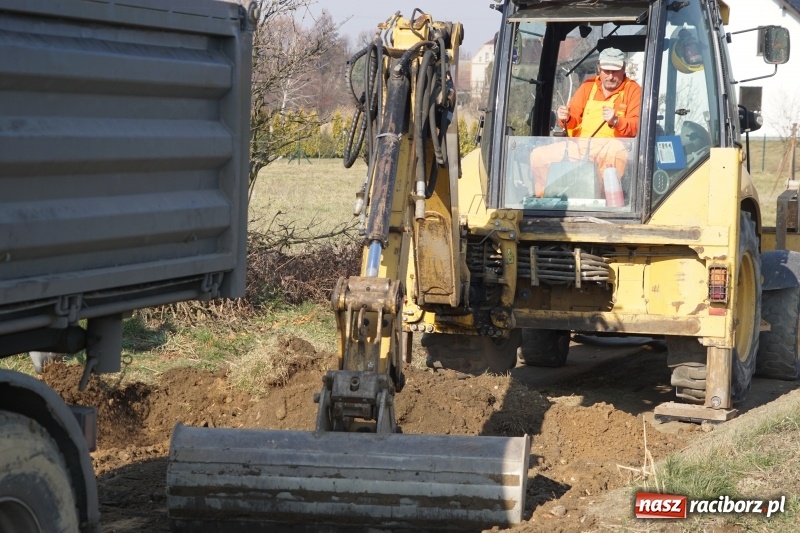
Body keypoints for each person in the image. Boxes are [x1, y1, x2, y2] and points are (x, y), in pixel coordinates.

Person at [530, 47, 642, 199]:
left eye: (615, 71)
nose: (610, 76)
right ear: (598, 68)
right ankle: (545, 202)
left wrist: (616, 121)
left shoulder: (633, 90)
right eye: (606, 71)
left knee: (616, 152)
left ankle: (603, 202)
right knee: (539, 155)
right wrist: (566, 117)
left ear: (624, 69)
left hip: (612, 146)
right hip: (582, 146)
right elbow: (573, 120)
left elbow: (638, 126)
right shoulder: (587, 87)